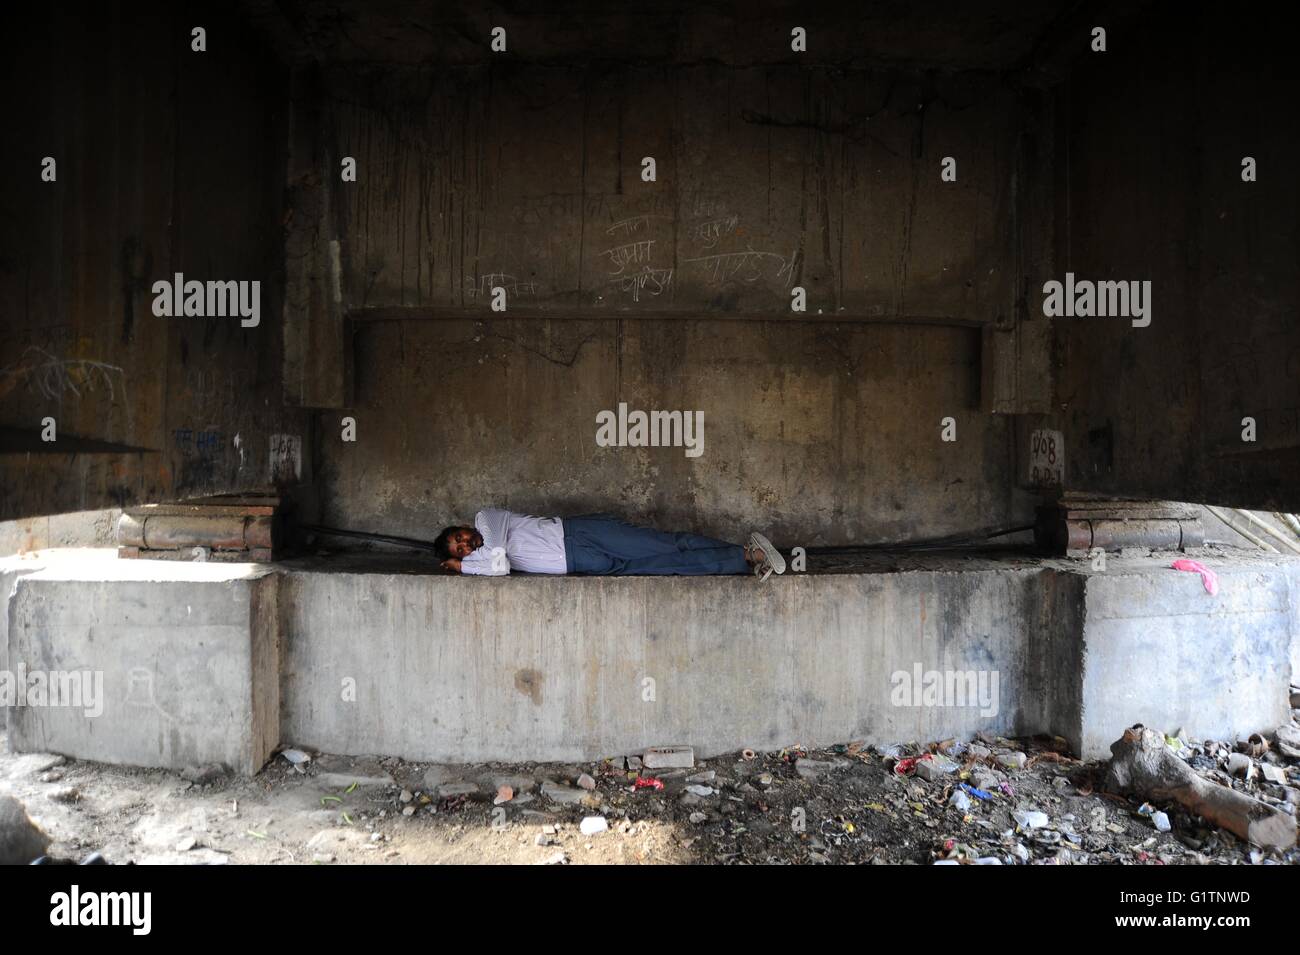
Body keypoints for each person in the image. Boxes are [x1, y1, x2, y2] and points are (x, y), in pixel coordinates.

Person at [434, 509, 785, 579]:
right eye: (460, 550)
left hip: (579, 534)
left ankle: (748, 550)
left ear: (464, 526)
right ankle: (744, 560)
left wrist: (461, 567)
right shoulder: (480, 558)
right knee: (670, 566)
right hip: (582, 565)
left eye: (459, 537)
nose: (465, 544)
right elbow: (502, 567)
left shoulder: (485, 519)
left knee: (666, 544)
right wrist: (467, 564)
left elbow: (496, 561)